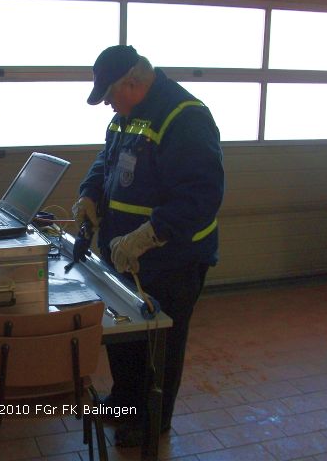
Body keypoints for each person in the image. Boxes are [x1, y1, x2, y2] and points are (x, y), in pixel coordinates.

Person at [73, 45, 224, 445]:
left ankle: (151, 422)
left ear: (134, 82)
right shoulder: (126, 118)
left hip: (171, 259)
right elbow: (105, 163)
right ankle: (124, 402)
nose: (108, 105)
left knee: (161, 345)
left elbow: (200, 196)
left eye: (110, 96)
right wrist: (89, 194)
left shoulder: (185, 117)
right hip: (122, 256)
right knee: (125, 338)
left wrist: (146, 237)